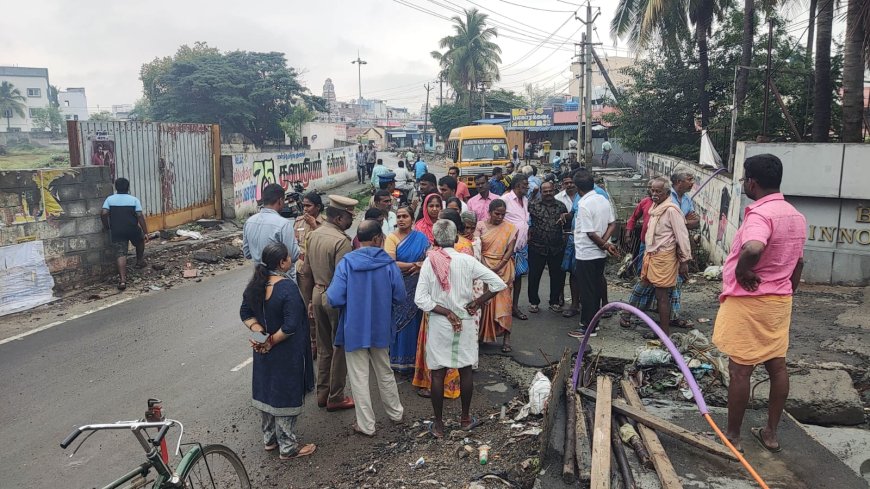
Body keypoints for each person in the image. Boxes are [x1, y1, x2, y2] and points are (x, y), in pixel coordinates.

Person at [712, 153, 806, 454]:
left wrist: (741, 270)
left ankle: (733, 436)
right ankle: (771, 433)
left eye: (743, 178)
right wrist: (788, 285)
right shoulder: (795, 215)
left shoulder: (760, 215)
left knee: (740, 370)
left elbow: (753, 247)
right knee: (777, 368)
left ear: (751, 182)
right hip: (779, 302)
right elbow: (799, 261)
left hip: (751, 302)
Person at [415, 219, 506, 438]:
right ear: (456, 239)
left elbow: (421, 299)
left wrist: (445, 312)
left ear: (434, 240)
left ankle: (439, 425)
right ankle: (465, 419)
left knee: (438, 373)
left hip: (440, 323)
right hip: (465, 321)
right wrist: (477, 302)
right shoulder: (466, 260)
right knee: (465, 370)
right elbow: (498, 284)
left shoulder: (430, 262)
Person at [328, 220, 406, 437]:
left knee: (359, 377)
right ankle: (396, 413)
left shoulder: (346, 263)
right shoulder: (388, 264)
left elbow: (334, 297)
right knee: (385, 371)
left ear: (359, 240)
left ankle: (367, 425)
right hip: (381, 327)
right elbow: (400, 296)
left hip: (353, 328)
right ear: (377, 239)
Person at [240, 242, 316, 460]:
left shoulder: (256, 284)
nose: (291, 260)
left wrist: (260, 336)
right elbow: (291, 326)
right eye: (289, 258)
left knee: (267, 390)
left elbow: (245, 312)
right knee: (285, 394)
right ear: (282, 262)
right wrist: (271, 341)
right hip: (285, 351)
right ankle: (288, 446)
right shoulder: (287, 287)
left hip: (262, 351)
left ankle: (269, 439)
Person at [619, 177, 691, 339]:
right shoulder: (654, 208)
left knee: (662, 295)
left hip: (664, 257)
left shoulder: (671, 210)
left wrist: (684, 261)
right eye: (653, 190)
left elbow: (682, 236)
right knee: (644, 285)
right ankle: (629, 313)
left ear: (666, 192)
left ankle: (663, 333)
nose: (654, 194)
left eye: (658, 191)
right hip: (651, 255)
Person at [306, 195, 358, 412]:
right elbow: (342, 278)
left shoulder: (313, 235)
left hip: (317, 293)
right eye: (348, 217)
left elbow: (306, 271)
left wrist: (309, 299)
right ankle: (336, 396)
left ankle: (322, 393)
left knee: (324, 346)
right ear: (338, 218)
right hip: (333, 298)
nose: (351, 221)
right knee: (339, 347)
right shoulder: (341, 241)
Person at [568, 171, 618, 338]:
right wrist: (605, 244)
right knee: (595, 288)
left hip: (587, 253)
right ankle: (594, 324)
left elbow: (589, 232)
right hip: (599, 253)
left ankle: (587, 327)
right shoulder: (602, 199)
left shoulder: (583, 204)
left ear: (577, 187)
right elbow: (612, 224)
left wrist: (603, 244)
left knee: (587, 291)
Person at [385, 206, 430, 373]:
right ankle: (398, 362)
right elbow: (390, 263)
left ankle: (415, 362)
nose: (401, 219)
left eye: (405, 216)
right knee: (400, 322)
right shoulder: (392, 238)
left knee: (415, 322)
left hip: (418, 285)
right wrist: (415, 265)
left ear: (412, 219)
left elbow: (429, 258)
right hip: (399, 286)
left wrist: (421, 266)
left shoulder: (421, 237)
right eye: (398, 216)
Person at [477, 199, 517, 352]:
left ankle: (507, 337)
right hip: (483, 266)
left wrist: (499, 266)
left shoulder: (510, 228)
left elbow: (510, 250)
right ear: (490, 212)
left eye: (502, 214)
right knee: (484, 302)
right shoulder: (480, 226)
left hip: (503, 269)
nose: (500, 217)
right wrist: (485, 267)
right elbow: (477, 247)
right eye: (497, 213)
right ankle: (482, 336)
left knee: (505, 304)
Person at [243, 183, 300, 282]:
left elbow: (247, 253)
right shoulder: (283, 224)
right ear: (280, 201)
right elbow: (293, 256)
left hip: (258, 280)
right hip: (281, 281)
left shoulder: (249, 222)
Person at [527, 181, 568, 314]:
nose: (548, 193)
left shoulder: (561, 206)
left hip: (556, 247)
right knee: (534, 275)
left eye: (550, 190)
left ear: (554, 190)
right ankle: (534, 302)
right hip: (537, 246)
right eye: (545, 191)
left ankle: (554, 301)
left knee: (557, 276)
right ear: (541, 192)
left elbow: (566, 225)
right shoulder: (533, 206)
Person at [101, 177, 148, 290]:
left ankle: (122, 280)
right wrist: (146, 232)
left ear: (116, 187)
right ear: (128, 187)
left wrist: (107, 226)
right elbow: (140, 216)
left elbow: (104, 213)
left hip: (117, 230)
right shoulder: (134, 200)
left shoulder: (109, 199)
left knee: (121, 254)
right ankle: (139, 261)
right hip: (132, 229)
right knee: (140, 240)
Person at [668, 171, 700, 328]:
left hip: (681, 243)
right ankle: (630, 311)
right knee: (651, 280)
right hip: (666, 244)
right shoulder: (667, 197)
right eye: (689, 179)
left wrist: (682, 223)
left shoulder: (687, 198)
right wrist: (684, 222)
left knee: (676, 280)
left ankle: (672, 314)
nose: (692, 182)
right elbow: (670, 223)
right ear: (678, 182)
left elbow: (695, 221)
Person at [295, 192, 324, 357]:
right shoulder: (298, 222)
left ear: (318, 207)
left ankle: (322, 342)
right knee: (307, 307)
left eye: (309, 206)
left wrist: (314, 225)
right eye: (303, 205)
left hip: (320, 268)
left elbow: (327, 239)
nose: (305, 209)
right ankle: (311, 342)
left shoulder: (325, 222)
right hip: (303, 269)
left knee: (320, 306)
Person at [502, 174, 530, 322]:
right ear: (517, 185)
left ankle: (515, 306)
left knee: (518, 278)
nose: (528, 187)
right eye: (525, 184)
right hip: (508, 248)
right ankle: (503, 308)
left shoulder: (525, 200)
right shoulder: (505, 199)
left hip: (522, 247)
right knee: (506, 279)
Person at [555, 171, 581, 317]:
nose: (569, 185)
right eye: (566, 183)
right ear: (562, 184)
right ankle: (559, 297)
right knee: (561, 270)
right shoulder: (558, 198)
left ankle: (576, 301)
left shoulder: (582, 197)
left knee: (575, 271)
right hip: (562, 239)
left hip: (577, 239)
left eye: (571, 182)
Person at [625, 184, 654, 275]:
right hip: (644, 240)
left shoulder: (668, 205)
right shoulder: (645, 202)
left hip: (660, 243)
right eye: (650, 188)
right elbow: (633, 218)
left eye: (655, 190)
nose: (651, 190)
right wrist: (628, 233)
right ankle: (639, 279)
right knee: (641, 266)